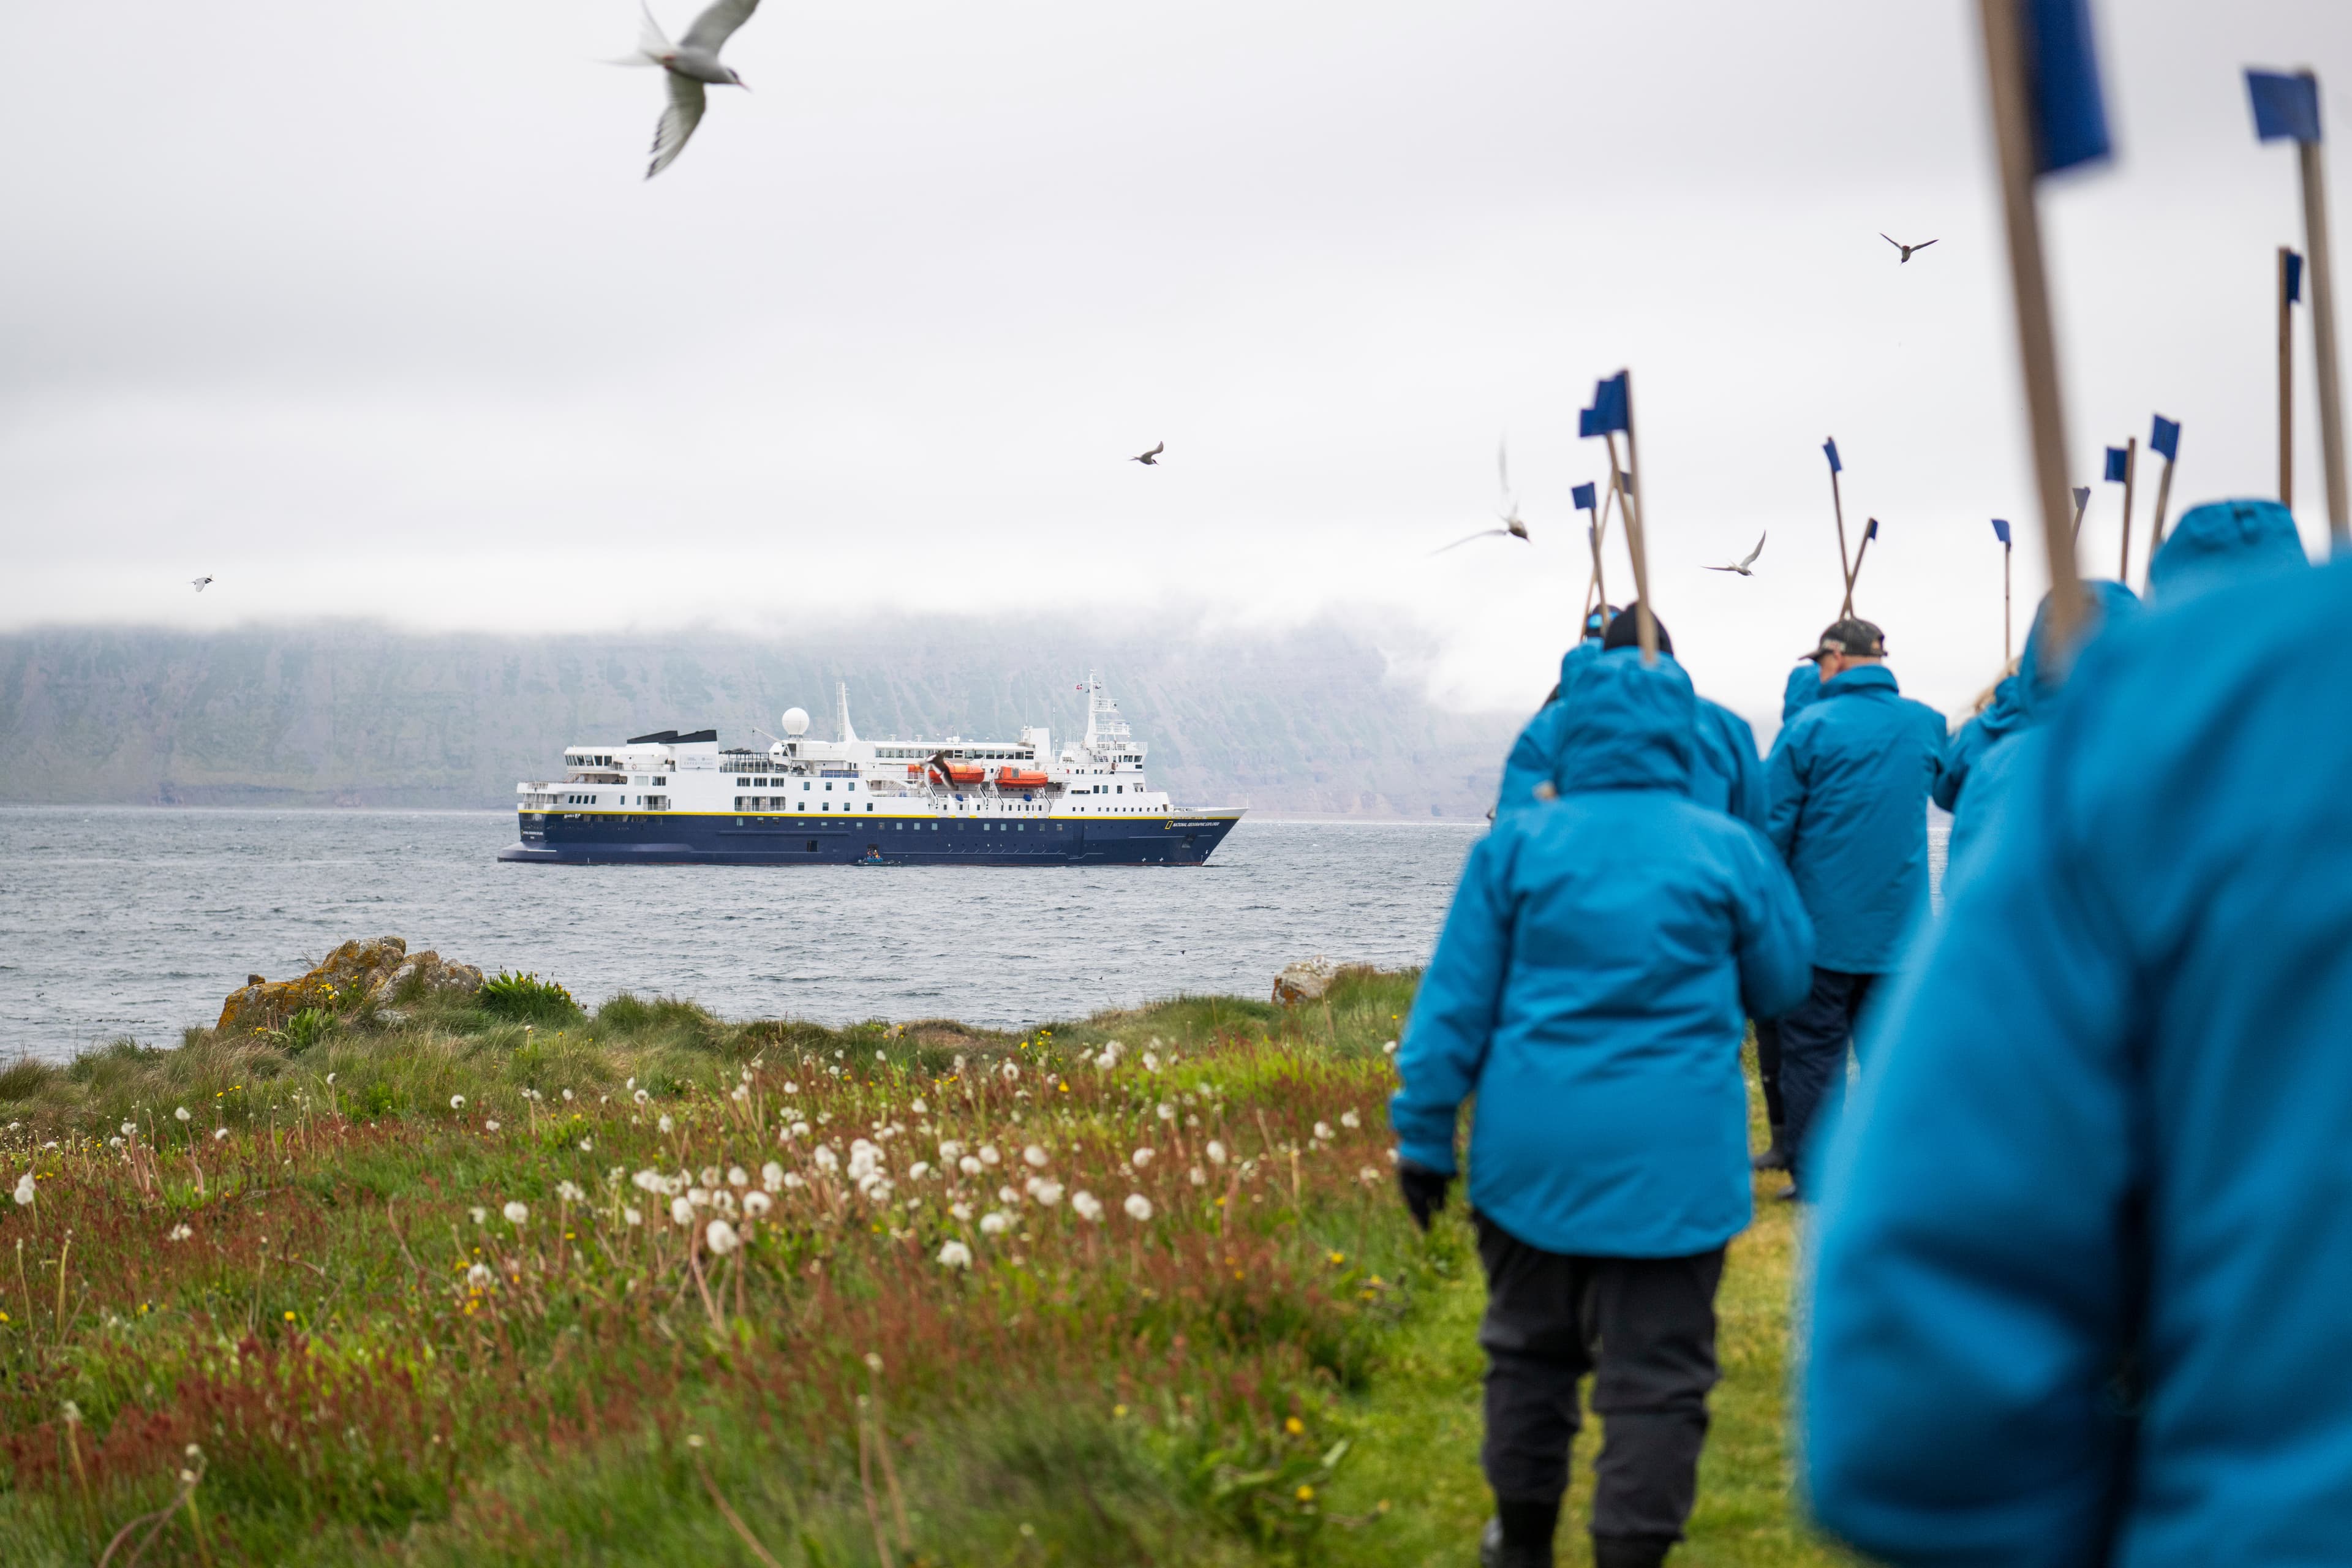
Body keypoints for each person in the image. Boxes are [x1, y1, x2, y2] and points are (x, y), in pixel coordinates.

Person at [1804, 557, 2352, 1566]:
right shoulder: (2128, 730)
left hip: (2006, 966)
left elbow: (1921, 1364)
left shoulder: (2147, 735)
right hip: (1927, 939)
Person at [1392, 650, 1814, 1568]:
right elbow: (1783, 982)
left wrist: (1423, 1140)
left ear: (1570, 729)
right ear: (1683, 734)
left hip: (1530, 1155)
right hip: (1677, 1161)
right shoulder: (1725, 848)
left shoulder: (1516, 847)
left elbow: (1452, 1008)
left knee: (1529, 1356)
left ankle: (1524, 1543)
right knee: (1659, 1382)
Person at [1761, 617, 1943, 1199]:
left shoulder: (1807, 729)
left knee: (1813, 1054)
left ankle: (1816, 1178)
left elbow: (1772, 832)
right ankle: (1911, 1167)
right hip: (1902, 931)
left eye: (1819, 660)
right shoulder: (1927, 724)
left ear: (1835, 657)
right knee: (1898, 1058)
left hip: (1821, 932)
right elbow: (1956, 785)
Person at [1496, 607, 1766, 831]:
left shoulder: (1552, 724)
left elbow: (1515, 819)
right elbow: (1756, 824)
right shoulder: (1725, 728)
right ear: (1671, 658)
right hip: (1708, 877)